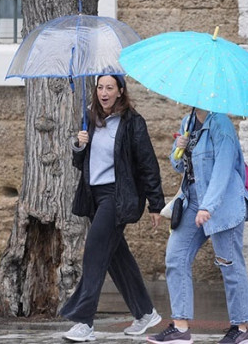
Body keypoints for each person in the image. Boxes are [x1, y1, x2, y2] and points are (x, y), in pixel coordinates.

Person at [60, 74, 166, 342]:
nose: (103, 92)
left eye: (109, 87)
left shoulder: (132, 122)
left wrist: (156, 204)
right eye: (99, 87)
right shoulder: (91, 119)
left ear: (120, 91)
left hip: (117, 196)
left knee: (95, 251)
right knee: (117, 258)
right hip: (94, 196)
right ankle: (145, 312)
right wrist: (79, 145)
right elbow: (81, 163)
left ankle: (84, 321)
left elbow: (147, 164)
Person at [147, 109, 248, 344]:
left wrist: (208, 207)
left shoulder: (221, 125)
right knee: (175, 257)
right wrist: (179, 148)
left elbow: (223, 170)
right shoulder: (187, 121)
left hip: (223, 202)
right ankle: (180, 327)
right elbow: (179, 166)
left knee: (229, 264)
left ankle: (240, 329)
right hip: (192, 200)